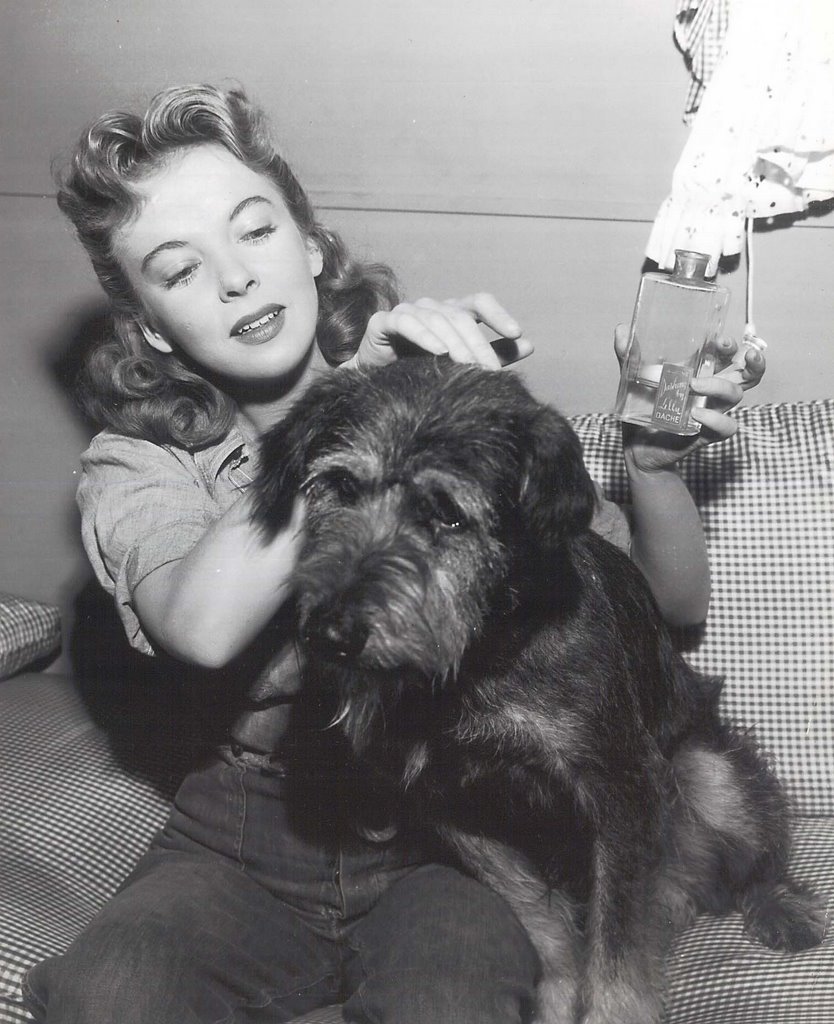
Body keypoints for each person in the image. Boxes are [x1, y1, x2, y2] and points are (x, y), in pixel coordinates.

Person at [23, 84, 765, 1024]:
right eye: (179, 270)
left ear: (313, 247)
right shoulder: (141, 466)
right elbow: (202, 630)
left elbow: (664, 609)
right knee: (105, 992)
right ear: (150, 328)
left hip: (447, 845)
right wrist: (345, 402)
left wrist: (653, 471)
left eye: (253, 232)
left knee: (448, 1001)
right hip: (243, 841)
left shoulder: (450, 415)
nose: (236, 279)